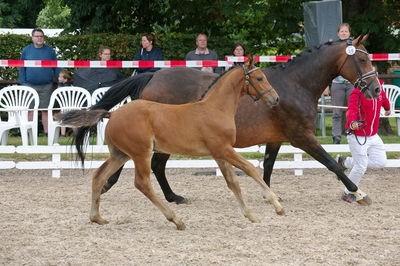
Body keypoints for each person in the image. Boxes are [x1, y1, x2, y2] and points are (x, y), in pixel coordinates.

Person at [338, 78, 391, 203]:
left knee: (380, 162)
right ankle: (347, 192)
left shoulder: (379, 88)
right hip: (358, 135)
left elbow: (383, 98)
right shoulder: (357, 92)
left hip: (373, 135)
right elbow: (351, 109)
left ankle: (345, 162)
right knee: (361, 166)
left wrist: (387, 107)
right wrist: (352, 122)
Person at [19, 28, 60, 136]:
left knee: (45, 110)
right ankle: (29, 132)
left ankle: (47, 133)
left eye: (41, 36)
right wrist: (23, 82)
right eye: (37, 36)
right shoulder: (26, 50)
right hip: (29, 85)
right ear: (32, 38)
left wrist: (60, 82)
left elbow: (56, 67)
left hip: (46, 86)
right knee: (30, 110)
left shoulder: (50, 51)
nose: (39, 38)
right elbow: (22, 67)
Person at [330, 23, 354, 144]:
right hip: (337, 84)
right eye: (342, 31)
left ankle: (353, 134)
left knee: (353, 111)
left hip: (351, 83)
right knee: (336, 112)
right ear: (338, 33)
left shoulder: (354, 46)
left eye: (346, 31)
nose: (344, 33)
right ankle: (336, 137)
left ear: (349, 33)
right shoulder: (333, 46)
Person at [57, 70, 72, 137]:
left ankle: (63, 134)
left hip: (65, 106)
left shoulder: (63, 87)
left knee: (62, 119)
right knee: (73, 120)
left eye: (60, 77)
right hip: (73, 106)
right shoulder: (71, 85)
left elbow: (57, 92)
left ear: (65, 79)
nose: (58, 78)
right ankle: (75, 133)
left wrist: (59, 85)